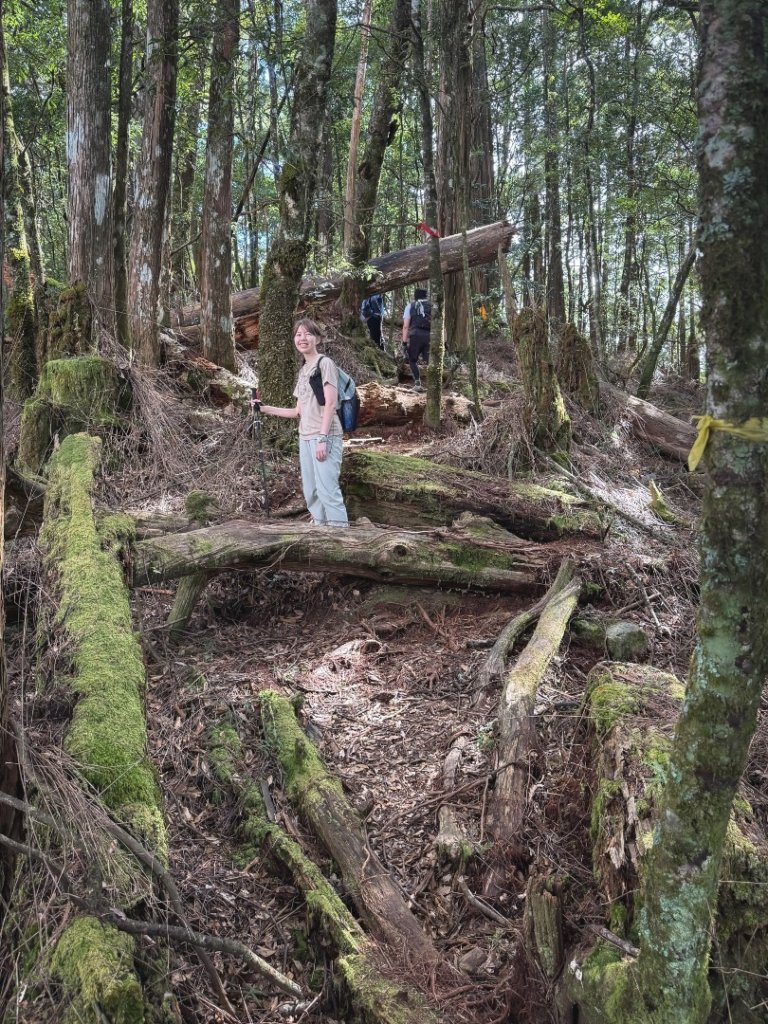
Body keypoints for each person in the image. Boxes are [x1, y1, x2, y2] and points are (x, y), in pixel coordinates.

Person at [252, 319, 349, 526]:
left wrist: (323, 438)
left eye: (307, 334)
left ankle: (341, 539)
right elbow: (298, 411)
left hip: (326, 436)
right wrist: (264, 408)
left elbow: (331, 404)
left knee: (327, 491)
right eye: (298, 334)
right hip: (305, 437)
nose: (302, 338)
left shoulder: (325, 364)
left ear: (318, 339)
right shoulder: (304, 370)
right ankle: (321, 532)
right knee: (311, 491)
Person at [402, 287, 432, 392]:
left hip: (416, 335)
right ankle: (433, 387)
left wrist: (404, 343)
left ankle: (418, 384)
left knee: (412, 360)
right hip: (430, 335)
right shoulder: (433, 306)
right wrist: (445, 342)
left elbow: (406, 326)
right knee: (430, 361)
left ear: (415, 296)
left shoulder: (410, 306)